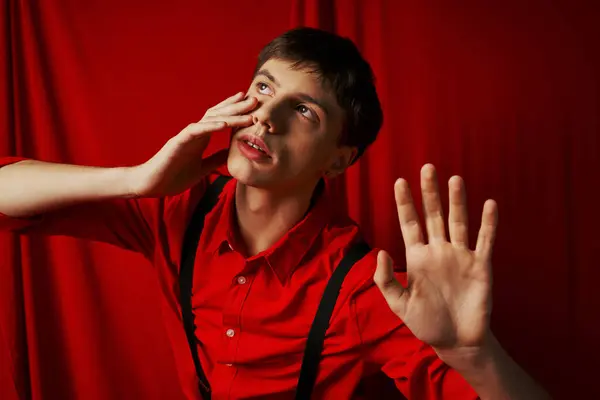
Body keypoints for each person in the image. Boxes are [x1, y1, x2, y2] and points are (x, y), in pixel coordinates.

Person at [0, 27, 549, 399]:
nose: (265, 118)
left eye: (304, 110)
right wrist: (137, 179)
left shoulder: (364, 289)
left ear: (340, 159)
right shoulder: (173, 209)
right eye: (263, 89)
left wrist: (475, 355)